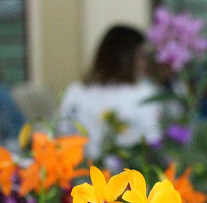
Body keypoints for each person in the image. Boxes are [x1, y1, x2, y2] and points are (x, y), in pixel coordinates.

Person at [58, 25, 161, 159]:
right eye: (141, 56)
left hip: (83, 167)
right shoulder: (143, 94)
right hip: (127, 169)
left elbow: (63, 135)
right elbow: (153, 141)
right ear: (126, 57)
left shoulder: (75, 91)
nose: (145, 63)